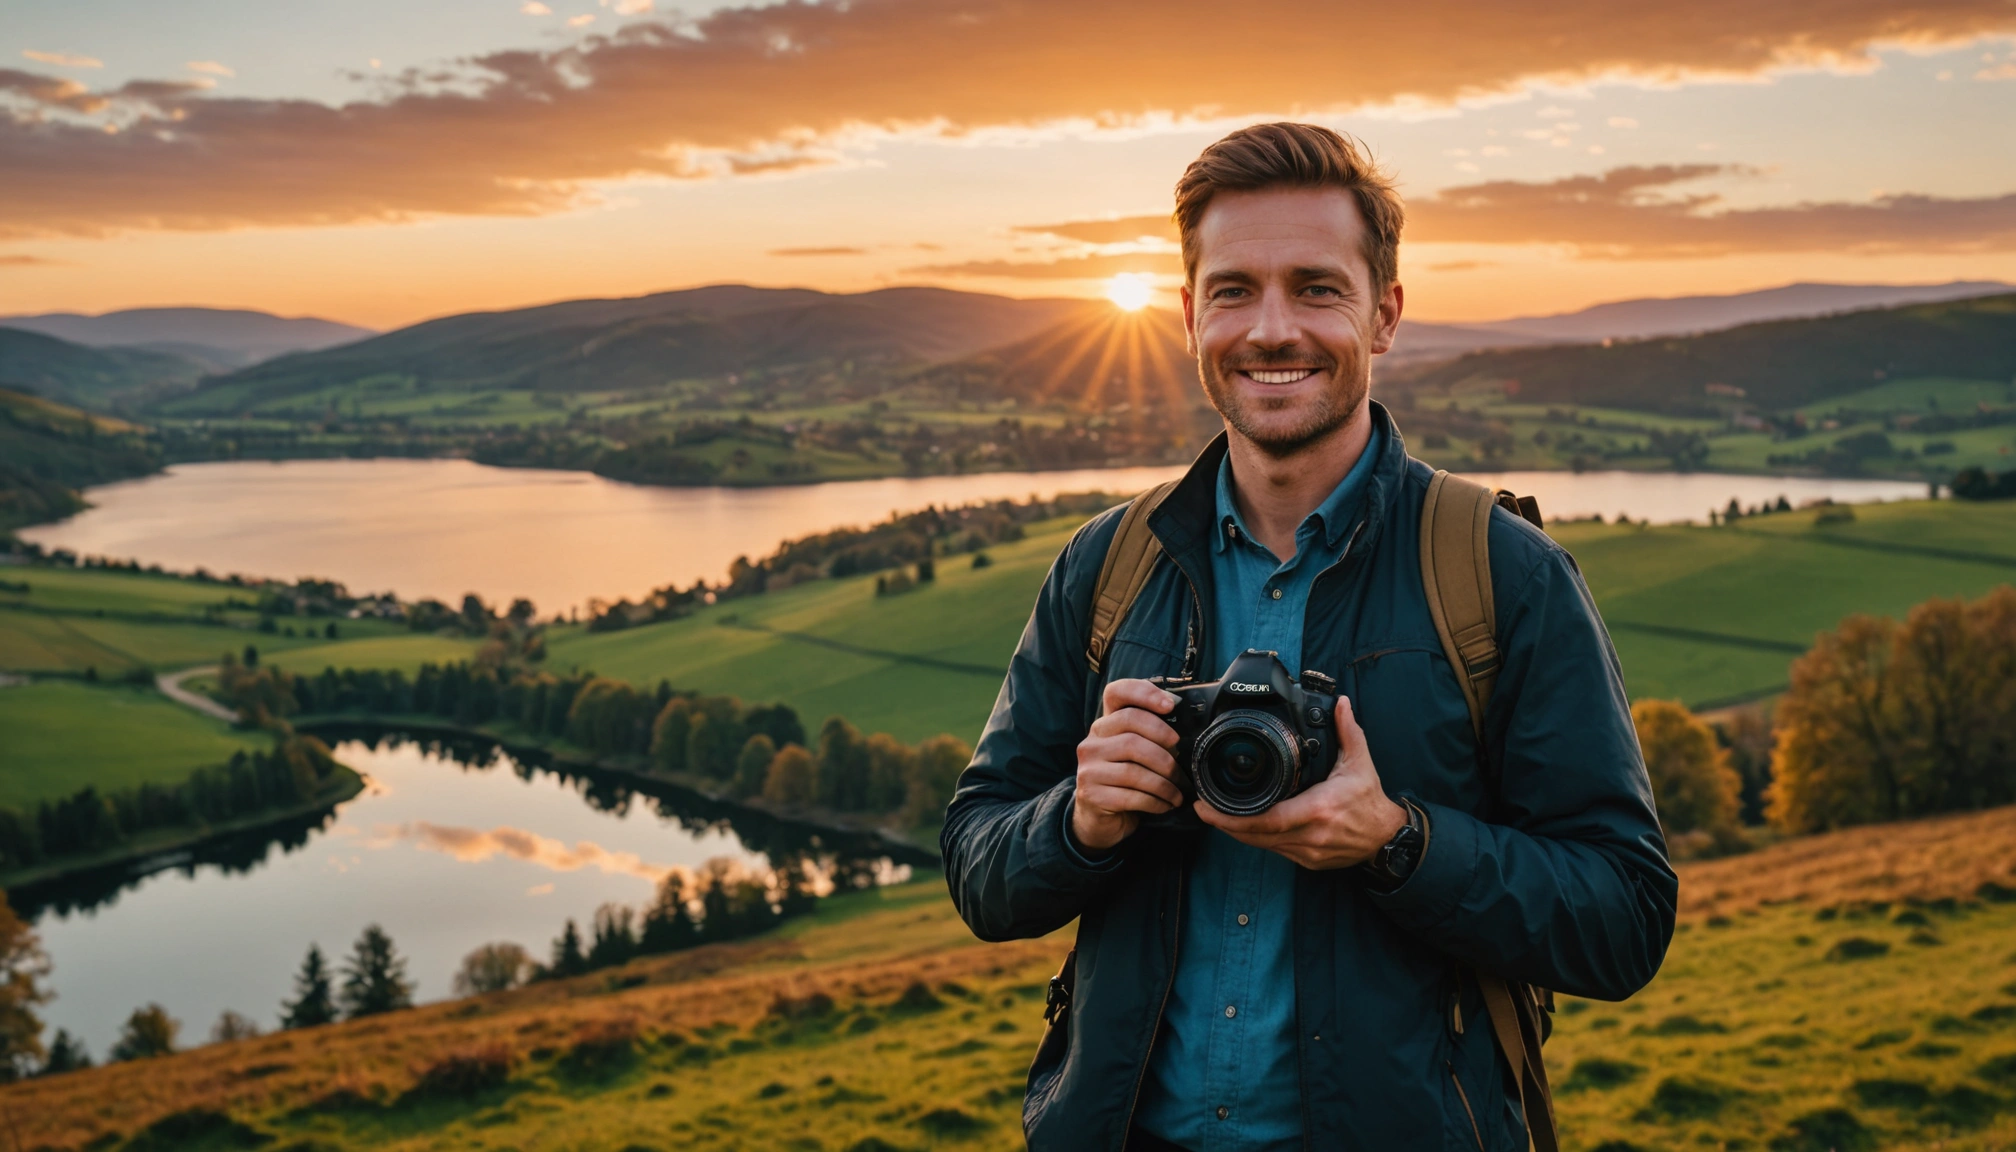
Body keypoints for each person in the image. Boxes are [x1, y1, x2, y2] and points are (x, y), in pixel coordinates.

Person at [940, 123, 1676, 1152]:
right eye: (1234, 289)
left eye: (1317, 288)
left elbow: (1624, 918)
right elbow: (976, 863)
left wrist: (1397, 843)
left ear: (1383, 316)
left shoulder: (1504, 576)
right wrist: (1082, 820)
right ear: (1190, 315)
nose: (1271, 329)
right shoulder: (1108, 568)